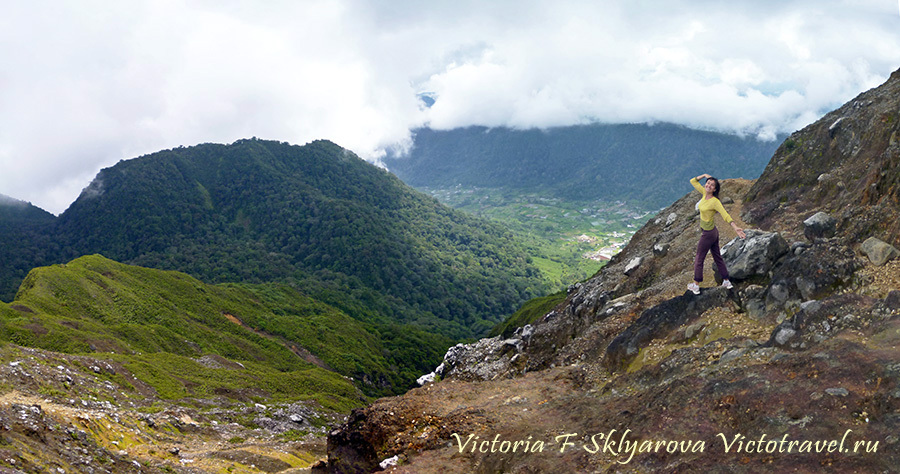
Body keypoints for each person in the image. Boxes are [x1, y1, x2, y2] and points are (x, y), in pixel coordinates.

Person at [688, 173, 746, 295]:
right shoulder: (704, 193)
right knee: (717, 257)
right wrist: (704, 175)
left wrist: (735, 228)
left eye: (712, 185)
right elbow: (693, 181)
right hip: (712, 232)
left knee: (699, 258)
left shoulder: (715, 202)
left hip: (708, 234)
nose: (708, 185)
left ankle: (696, 285)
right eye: (708, 183)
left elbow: (725, 215)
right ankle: (726, 281)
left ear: (715, 189)